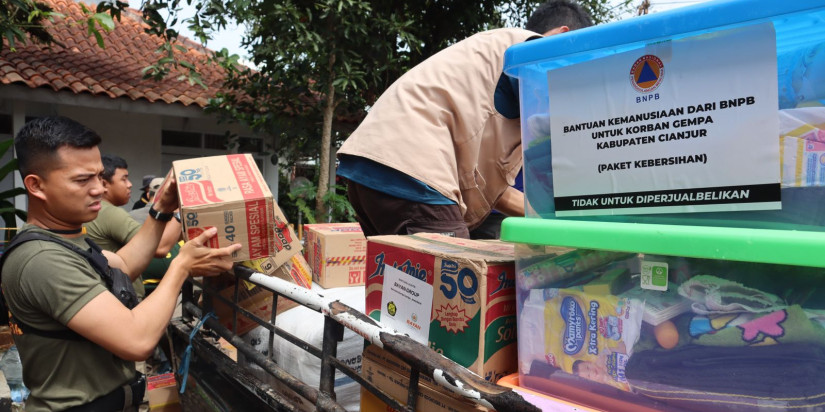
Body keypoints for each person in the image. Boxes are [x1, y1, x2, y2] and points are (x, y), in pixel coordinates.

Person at [1, 116, 241, 411]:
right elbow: (136, 339)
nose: (98, 189)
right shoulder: (42, 259)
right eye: (81, 179)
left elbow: (125, 263)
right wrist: (182, 267)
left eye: (99, 177)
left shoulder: (68, 239)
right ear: (36, 185)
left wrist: (162, 209)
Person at [337, 0, 592, 238]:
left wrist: (551, 220)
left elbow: (494, 191)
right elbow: (561, 128)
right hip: (413, 170)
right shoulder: (528, 51)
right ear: (560, 35)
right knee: (455, 277)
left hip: (372, 167)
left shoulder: (484, 74)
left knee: (397, 280)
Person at [86, 155, 181, 300]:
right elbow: (159, 247)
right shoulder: (109, 213)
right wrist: (181, 212)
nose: (130, 184)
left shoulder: (95, 212)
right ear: (104, 184)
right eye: (124, 179)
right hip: (121, 299)